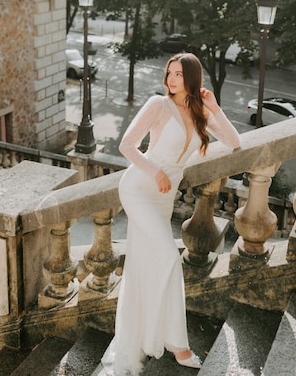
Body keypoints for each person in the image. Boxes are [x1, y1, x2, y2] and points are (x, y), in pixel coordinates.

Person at [101, 52, 241, 376]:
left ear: (191, 77)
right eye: (169, 73)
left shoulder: (200, 110)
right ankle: (179, 346)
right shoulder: (158, 105)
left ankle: (151, 334)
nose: (172, 79)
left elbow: (234, 142)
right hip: (139, 188)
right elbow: (127, 145)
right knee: (167, 258)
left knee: (148, 264)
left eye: (178, 74)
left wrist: (215, 106)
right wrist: (156, 172)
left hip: (163, 200)